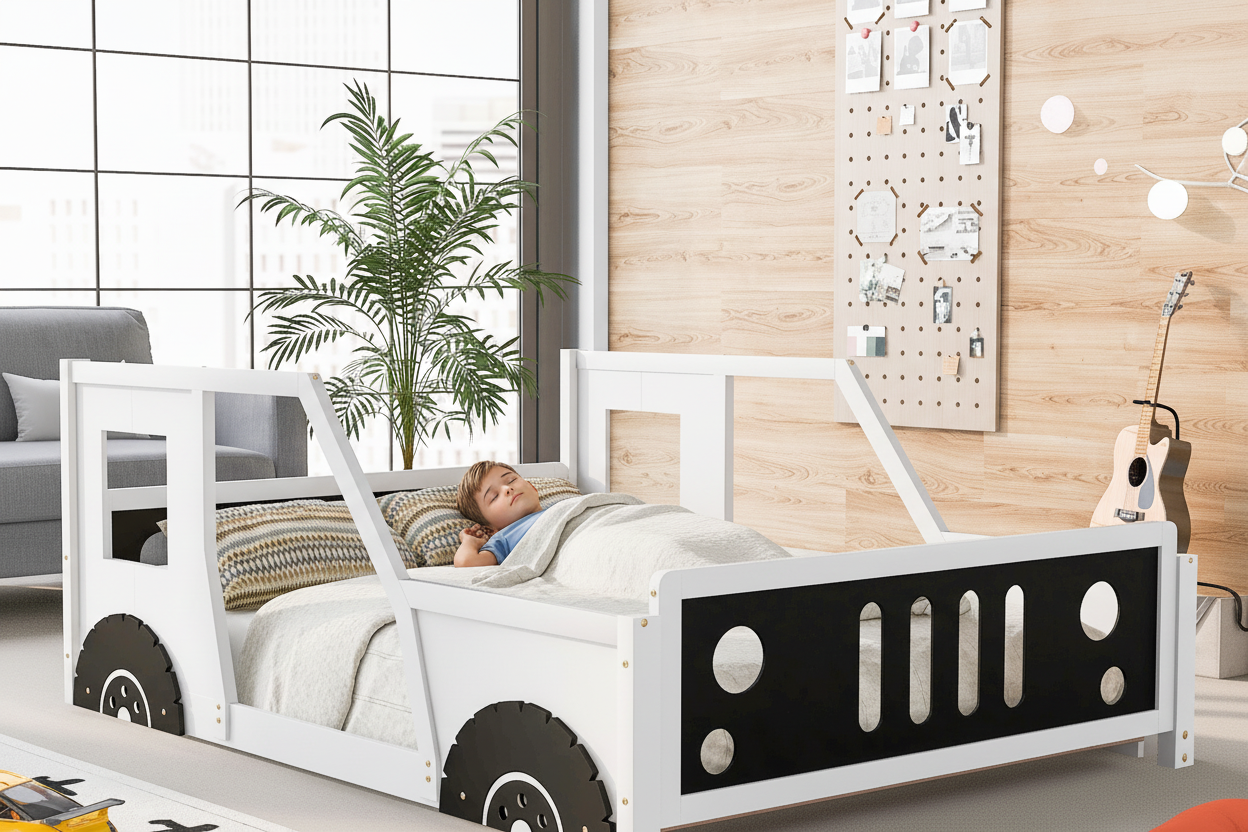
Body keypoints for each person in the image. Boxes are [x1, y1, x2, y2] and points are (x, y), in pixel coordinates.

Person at [452, 460, 545, 567]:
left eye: (511, 480)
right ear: (490, 529)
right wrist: (470, 541)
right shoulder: (505, 537)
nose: (507, 489)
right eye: (494, 497)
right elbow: (465, 562)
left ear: (532, 487)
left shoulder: (559, 508)